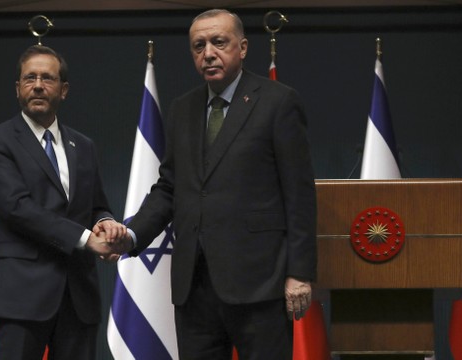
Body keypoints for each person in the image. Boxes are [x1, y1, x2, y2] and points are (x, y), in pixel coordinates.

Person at [102, 8, 317, 360]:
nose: (208, 53)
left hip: (259, 282)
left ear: (243, 48)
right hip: (194, 285)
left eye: (219, 42)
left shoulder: (278, 102)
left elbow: (300, 195)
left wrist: (300, 273)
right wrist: (132, 234)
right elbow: (170, 187)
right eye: (198, 46)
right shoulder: (181, 109)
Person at [0, 45, 126, 360]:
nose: (38, 85)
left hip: (78, 297)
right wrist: (86, 240)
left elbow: (97, 204)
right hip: (19, 296)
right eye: (29, 78)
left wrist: (104, 223)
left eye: (47, 78)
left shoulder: (83, 145)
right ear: (18, 88)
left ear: (64, 90)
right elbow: (17, 208)